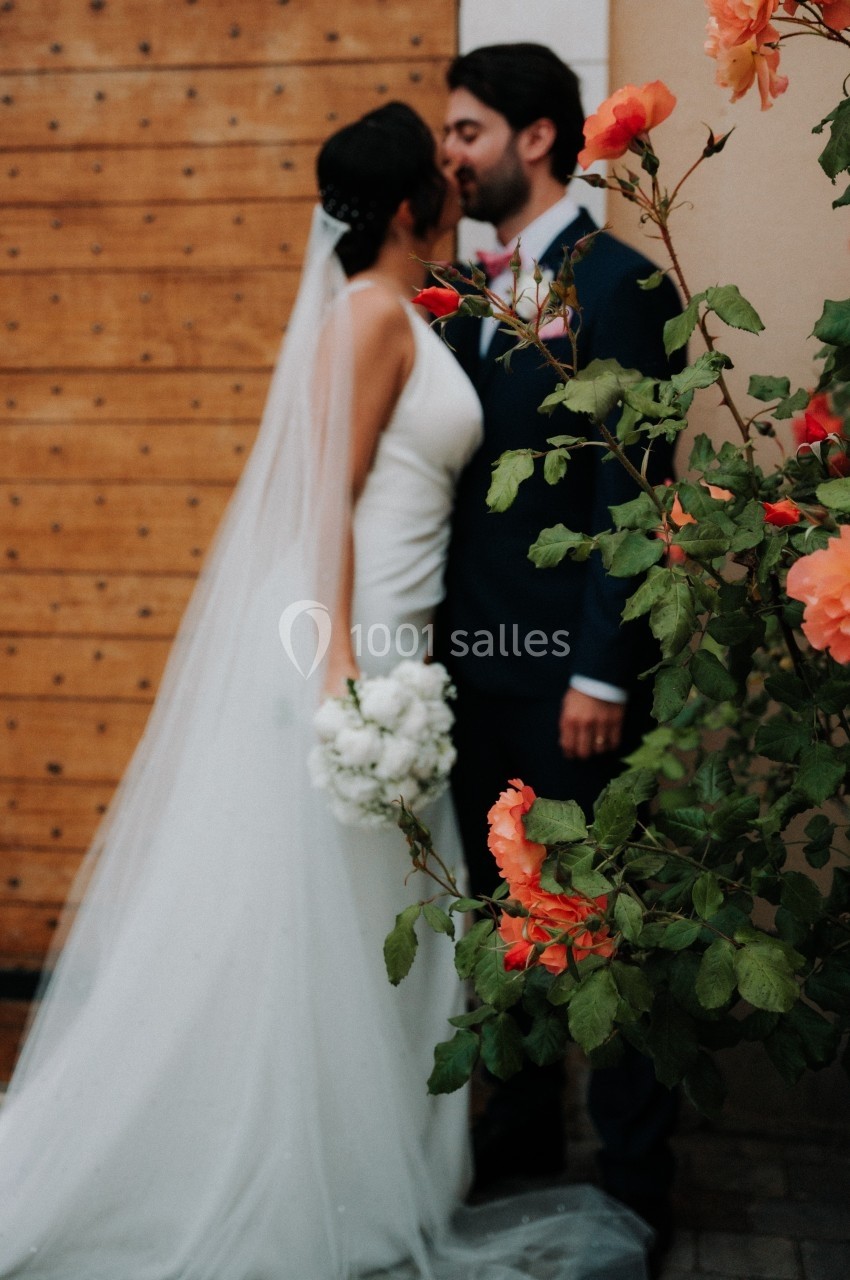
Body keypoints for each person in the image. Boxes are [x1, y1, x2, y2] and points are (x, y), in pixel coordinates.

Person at [0, 102, 652, 1280]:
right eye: (441, 167)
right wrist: (342, 667)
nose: (459, 176)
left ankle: (366, 1167)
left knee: (364, 939)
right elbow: (324, 507)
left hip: (391, 660)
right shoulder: (368, 321)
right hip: (342, 660)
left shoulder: (401, 310)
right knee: (325, 938)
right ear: (413, 207)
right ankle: (297, 1172)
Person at [438, 42, 682, 1251]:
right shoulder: (465, 290)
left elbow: (632, 501)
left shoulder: (623, 285)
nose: (451, 153)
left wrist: (601, 668)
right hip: (473, 672)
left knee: (602, 914)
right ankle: (523, 1154)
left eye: (468, 130)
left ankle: (635, 1185)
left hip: (569, 682)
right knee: (504, 924)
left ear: (536, 138)